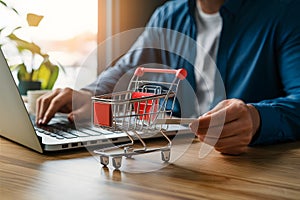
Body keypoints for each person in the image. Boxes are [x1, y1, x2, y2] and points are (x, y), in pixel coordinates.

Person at [36, 0, 300, 155]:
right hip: (174, 156)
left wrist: (257, 119)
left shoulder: (285, 13)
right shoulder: (168, 15)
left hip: (247, 166)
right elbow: (127, 68)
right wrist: (89, 92)